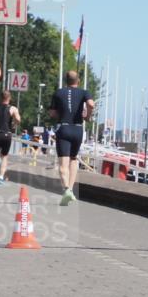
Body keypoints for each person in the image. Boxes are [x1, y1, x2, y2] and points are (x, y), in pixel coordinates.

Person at [49, 70, 95, 206]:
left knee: (63, 164)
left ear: (65, 81)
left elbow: (52, 113)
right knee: (74, 159)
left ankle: (67, 190)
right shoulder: (84, 92)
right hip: (78, 129)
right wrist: (87, 116)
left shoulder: (58, 92)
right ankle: (71, 189)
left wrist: (60, 113)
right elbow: (91, 104)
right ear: (78, 81)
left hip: (63, 128)